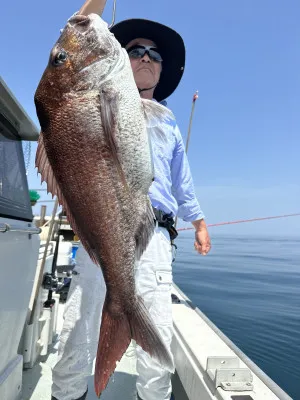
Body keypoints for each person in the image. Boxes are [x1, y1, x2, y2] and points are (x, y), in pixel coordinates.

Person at [51, 1, 211, 400]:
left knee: (157, 340)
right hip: (100, 236)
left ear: (162, 69)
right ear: (119, 58)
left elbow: (181, 180)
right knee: (78, 328)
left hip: (154, 235)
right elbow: (76, 31)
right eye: (136, 49)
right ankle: (66, 395)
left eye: (155, 55)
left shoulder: (168, 121)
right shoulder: (92, 94)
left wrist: (200, 222)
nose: (145, 57)